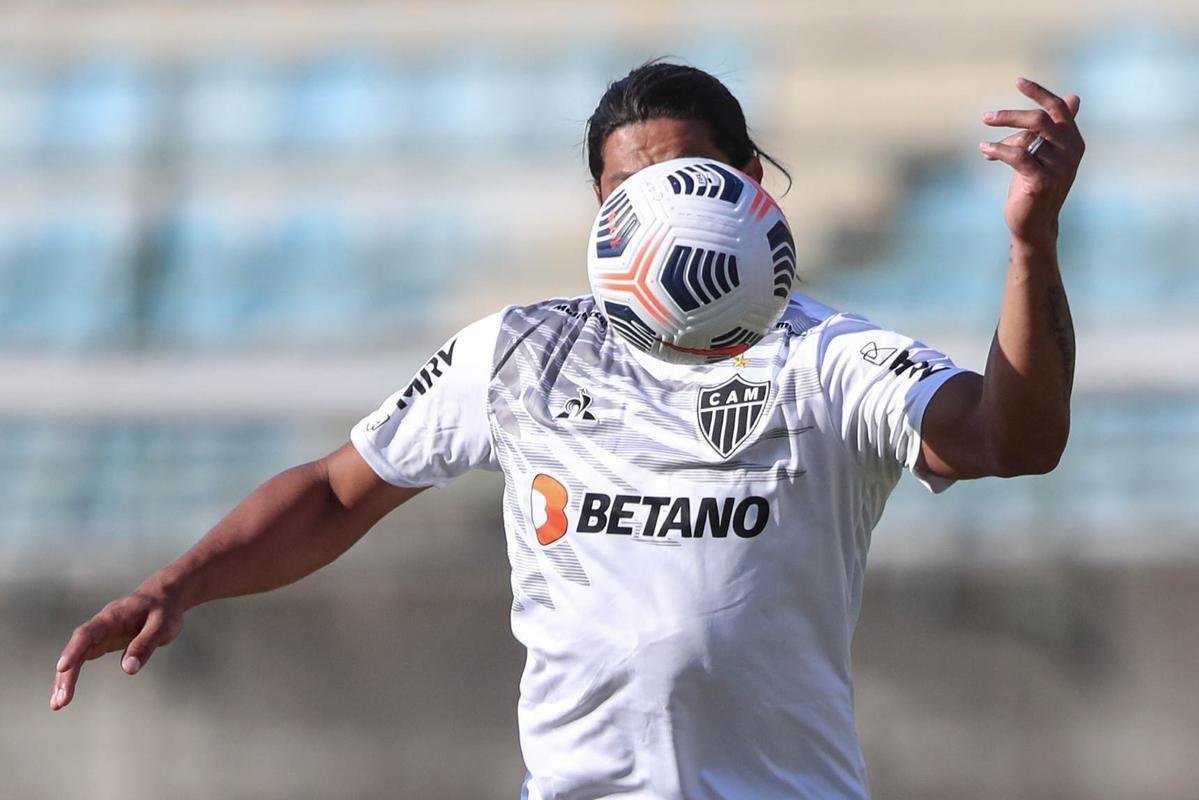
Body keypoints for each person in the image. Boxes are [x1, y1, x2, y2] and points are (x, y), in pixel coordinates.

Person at [50, 62, 1084, 799]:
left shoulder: (829, 359)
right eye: (626, 195)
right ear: (600, 216)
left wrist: (1029, 246)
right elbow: (333, 489)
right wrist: (174, 582)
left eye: (686, 182)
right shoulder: (521, 353)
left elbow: (1009, 437)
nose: (660, 217)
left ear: (749, 192)